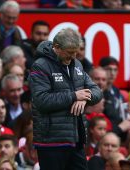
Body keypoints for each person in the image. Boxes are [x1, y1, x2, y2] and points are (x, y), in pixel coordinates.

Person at [28, 28, 102, 170]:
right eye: (69, 52)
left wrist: (85, 98)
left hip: (76, 139)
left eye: (76, 51)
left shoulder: (77, 65)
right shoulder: (40, 66)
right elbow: (41, 101)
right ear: (56, 47)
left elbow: (96, 90)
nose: (74, 56)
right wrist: (74, 95)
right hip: (51, 141)